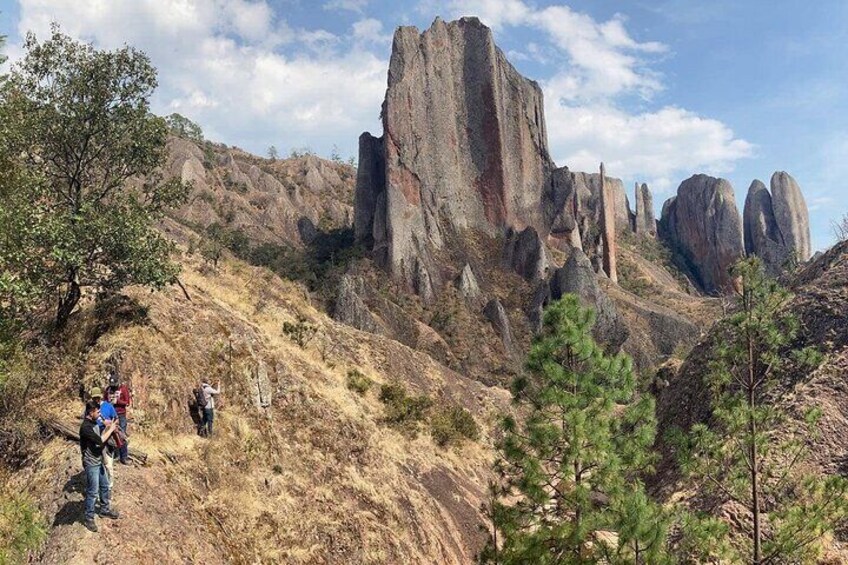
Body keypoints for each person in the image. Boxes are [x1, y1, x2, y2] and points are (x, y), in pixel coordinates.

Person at [79, 400, 120, 532]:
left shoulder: (93, 423)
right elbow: (100, 440)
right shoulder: (86, 427)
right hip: (91, 464)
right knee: (92, 491)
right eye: (98, 412)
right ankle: (89, 517)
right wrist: (111, 429)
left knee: (104, 485)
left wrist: (109, 427)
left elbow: (100, 438)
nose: (100, 414)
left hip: (98, 460)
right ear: (91, 412)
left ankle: (104, 510)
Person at [83, 387, 118, 493]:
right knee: (97, 464)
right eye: (94, 398)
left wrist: (110, 424)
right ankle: (98, 486)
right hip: (94, 439)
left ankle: (109, 484)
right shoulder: (90, 408)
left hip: (106, 438)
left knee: (108, 464)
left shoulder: (108, 406)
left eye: (98, 397)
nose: (96, 399)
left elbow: (116, 419)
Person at [106, 372, 132, 464]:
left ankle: (124, 457)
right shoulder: (108, 389)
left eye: (114, 385)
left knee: (122, 435)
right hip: (110, 415)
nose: (113, 387)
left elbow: (127, 402)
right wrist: (109, 402)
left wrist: (118, 401)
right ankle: (114, 455)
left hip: (121, 415)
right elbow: (104, 400)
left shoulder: (123, 389)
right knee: (111, 435)